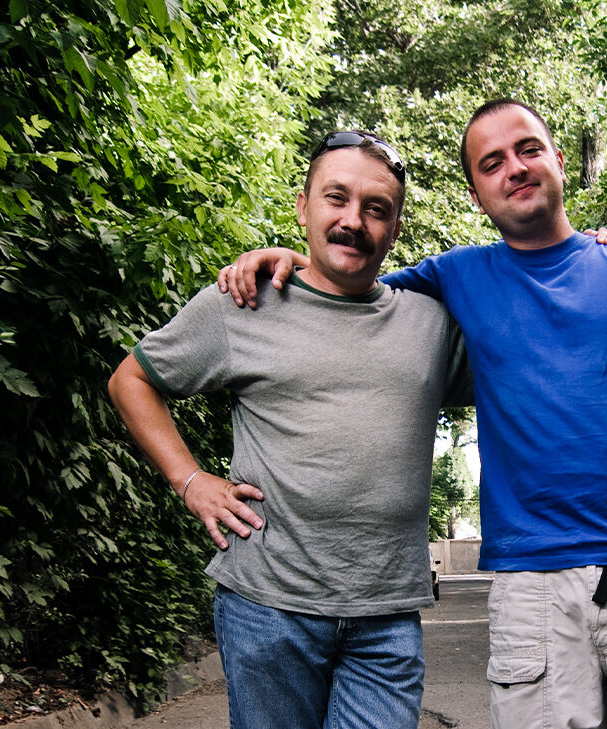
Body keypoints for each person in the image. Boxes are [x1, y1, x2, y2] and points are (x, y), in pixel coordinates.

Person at [221, 100, 607, 729]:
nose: (515, 168)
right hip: (531, 582)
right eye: (492, 163)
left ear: (559, 160)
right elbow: (350, 284)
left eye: (529, 149)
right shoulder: (456, 276)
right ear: (476, 195)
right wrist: (289, 259)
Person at [108, 130, 475, 729]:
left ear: (394, 229)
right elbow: (131, 380)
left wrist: (587, 254)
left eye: (375, 208)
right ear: (304, 207)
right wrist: (190, 480)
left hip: (386, 617)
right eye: (336, 198)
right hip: (267, 608)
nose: (352, 220)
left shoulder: (431, 325)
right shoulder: (242, 303)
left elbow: (528, 343)